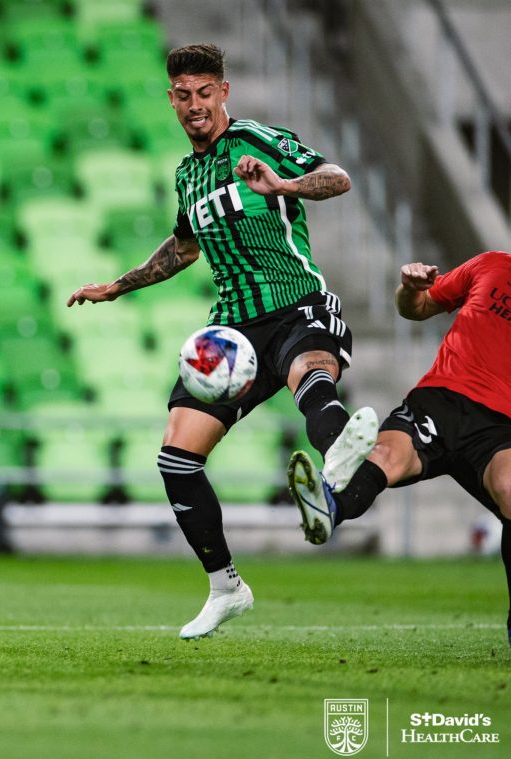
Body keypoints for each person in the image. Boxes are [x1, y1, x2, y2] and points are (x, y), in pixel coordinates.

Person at [67, 43, 377, 639]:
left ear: (224, 92)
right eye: (183, 96)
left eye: (204, 93)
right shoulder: (187, 174)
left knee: (311, 377)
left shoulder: (257, 142)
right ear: (172, 99)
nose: (194, 106)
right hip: (232, 330)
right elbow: (184, 247)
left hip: (297, 304)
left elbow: (335, 178)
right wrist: (118, 286)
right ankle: (225, 587)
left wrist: (281, 184)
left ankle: (338, 468)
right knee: (175, 458)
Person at [289, 253, 511, 645]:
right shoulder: (491, 264)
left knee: (510, 491)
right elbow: (418, 309)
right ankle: (328, 510)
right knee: (385, 457)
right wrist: (410, 288)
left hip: (500, 429)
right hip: (441, 398)